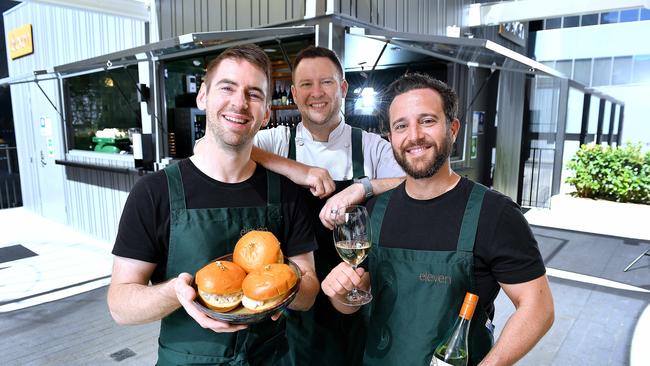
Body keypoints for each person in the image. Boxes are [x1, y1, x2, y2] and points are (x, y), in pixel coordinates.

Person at [107, 44, 320, 366]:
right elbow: (120, 305)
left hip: (270, 358)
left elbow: (308, 294)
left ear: (265, 113)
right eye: (227, 88)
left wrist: (284, 290)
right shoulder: (154, 192)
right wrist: (177, 292)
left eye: (254, 94)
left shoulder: (286, 193)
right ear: (203, 96)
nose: (239, 102)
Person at [321, 73, 554, 366]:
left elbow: (538, 307)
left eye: (427, 121)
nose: (414, 135)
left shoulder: (495, 213)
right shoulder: (374, 210)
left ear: (452, 129)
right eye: (401, 126)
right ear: (390, 138)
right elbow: (353, 304)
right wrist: (338, 295)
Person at [250, 46, 405, 365]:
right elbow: (210, 145)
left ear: (344, 88)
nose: (316, 92)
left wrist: (362, 188)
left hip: (356, 297)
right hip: (293, 303)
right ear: (293, 93)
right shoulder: (278, 142)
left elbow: (419, 183)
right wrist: (299, 170)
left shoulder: (371, 146)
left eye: (327, 82)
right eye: (306, 84)